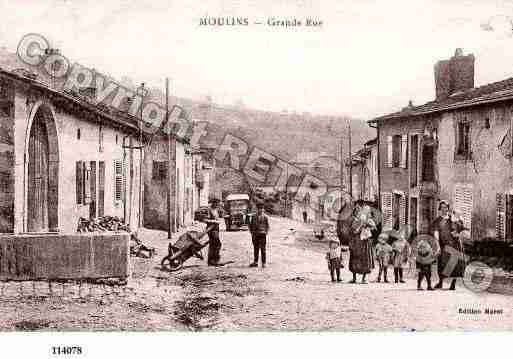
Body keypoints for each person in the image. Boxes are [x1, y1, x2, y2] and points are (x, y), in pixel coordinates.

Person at [432, 200, 465, 290]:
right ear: (440, 208)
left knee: (454, 263)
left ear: (448, 208)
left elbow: (459, 228)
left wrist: (458, 232)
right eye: (442, 207)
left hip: (454, 244)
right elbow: (436, 233)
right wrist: (437, 244)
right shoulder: (437, 221)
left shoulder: (452, 218)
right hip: (444, 244)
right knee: (442, 263)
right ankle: (441, 282)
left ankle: (453, 283)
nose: (444, 209)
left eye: (446, 207)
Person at [348, 204, 376, 284]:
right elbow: (353, 231)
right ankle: (354, 278)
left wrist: (368, 225)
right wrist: (359, 227)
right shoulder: (355, 220)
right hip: (357, 242)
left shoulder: (369, 220)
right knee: (355, 259)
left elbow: (374, 228)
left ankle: (363, 279)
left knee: (365, 260)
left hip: (365, 242)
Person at [249, 202, 270, 268]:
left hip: (262, 234)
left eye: (261, 209)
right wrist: (252, 233)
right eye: (259, 208)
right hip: (255, 235)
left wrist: (266, 232)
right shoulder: (253, 216)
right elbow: (251, 225)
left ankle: (264, 263)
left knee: (263, 249)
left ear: (263, 209)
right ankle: (255, 262)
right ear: (257, 209)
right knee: (256, 248)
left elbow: (268, 226)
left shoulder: (265, 217)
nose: (260, 210)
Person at [205, 198, 223, 266]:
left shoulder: (216, 210)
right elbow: (205, 219)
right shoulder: (209, 210)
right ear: (213, 203)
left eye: (218, 204)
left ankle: (212, 260)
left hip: (216, 228)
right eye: (216, 203)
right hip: (211, 229)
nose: (217, 205)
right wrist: (214, 221)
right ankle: (214, 260)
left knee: (214, 244)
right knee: (217, 244)